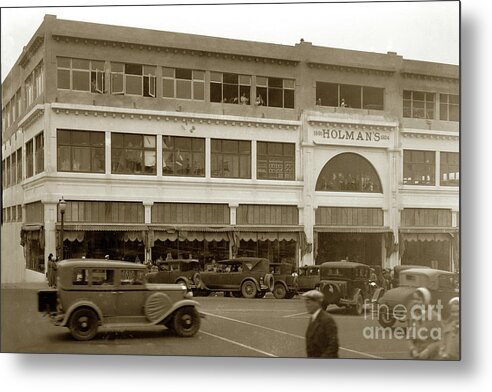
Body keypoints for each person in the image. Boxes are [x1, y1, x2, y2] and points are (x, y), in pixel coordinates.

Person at [302, 290, 339, 358]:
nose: (306, 306)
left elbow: (333, 346)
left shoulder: (327, 320)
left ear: (317, 303)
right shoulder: (312, 319)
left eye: (308, 302)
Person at [407, 287, 442, 359]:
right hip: (416, 356)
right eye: (414, 299)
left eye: (418, 299)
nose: (415, 302)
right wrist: (412, 349)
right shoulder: (413, 316)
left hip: (431, 357)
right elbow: (409, 337)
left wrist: (428, 350)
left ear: (426, 300)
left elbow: (441, 340)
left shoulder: (435, 317)